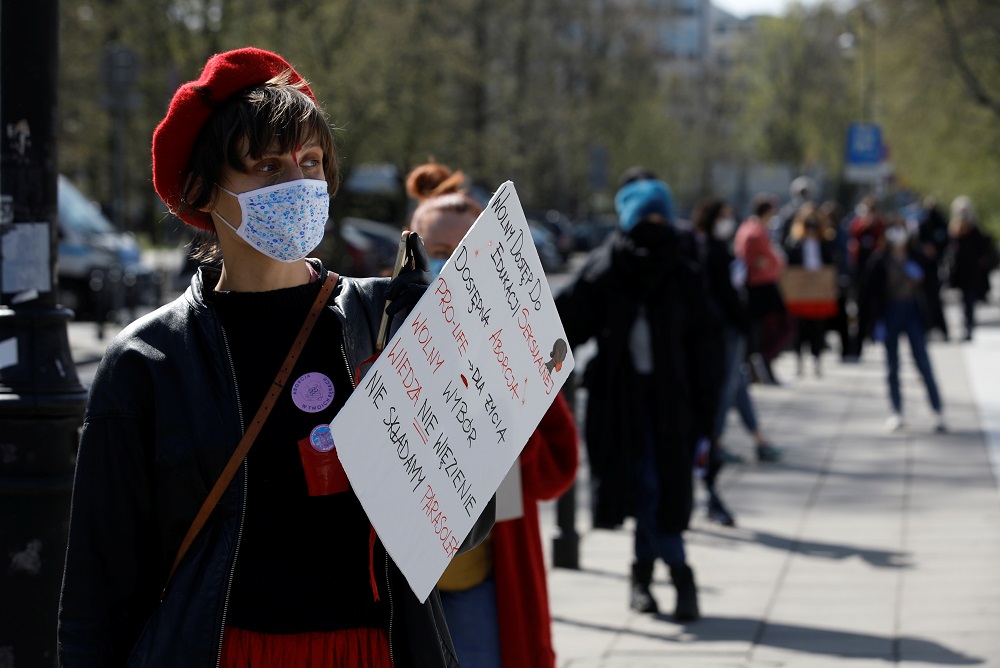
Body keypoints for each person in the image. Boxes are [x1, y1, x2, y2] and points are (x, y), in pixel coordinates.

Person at [57, 48, 493, 667]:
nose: (298, 185)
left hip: (372, 651)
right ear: (204, 192)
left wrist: (438, 370)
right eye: (265, 167)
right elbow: (98, 588)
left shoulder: (382, 320)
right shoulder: (148, 361)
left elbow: (461, 533)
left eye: (310, 162)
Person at [405, 162, 579, 668]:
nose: (452, 268)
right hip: (399, 590)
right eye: (437, 255)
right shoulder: (374, 336)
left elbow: (556, 474)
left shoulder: (520, 349)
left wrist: (507, 419)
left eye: (466, 254)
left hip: (486, 583)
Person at [556, 170, 721, 622]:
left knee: (659, 489)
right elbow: (563, 321)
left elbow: (707, 348)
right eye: (643, 217)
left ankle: (646, 577)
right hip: (622, 404)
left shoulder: (685, 274)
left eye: (658, 217)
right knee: (647, 488)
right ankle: (674, 576)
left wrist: (710, 415)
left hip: (673, 403)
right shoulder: (609, 268)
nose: (652, 226)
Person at [692, 197, 780, 527]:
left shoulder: (716, 248)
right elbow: (724, 294)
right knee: (725, 392)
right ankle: (716, 445)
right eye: (724, 215)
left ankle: (757, 438)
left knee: (738, 386)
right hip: (724, 332)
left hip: (731, 329)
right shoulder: (709, 250)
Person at [863, 222, 945, 433]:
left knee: (922, 361)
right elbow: (869, 292)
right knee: (892, 364)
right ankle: (896, 411)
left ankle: (937, 410)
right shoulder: (880, 260)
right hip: (890, 312)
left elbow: (932, 283)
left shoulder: (916, 256)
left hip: (913, 312)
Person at [734, 193, 792, 385]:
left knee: (758, 328)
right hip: (762, 285)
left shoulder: (746, 228)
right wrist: (772, 262)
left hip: (756, 284)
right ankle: (764, 359)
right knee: (781, 325)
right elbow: (772, 259)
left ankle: (758, 362)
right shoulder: (757, 231)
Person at [784, 202, 839, 378]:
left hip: (818, 292)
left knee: (818, 328)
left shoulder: (825, 243)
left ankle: (817, 360)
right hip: (801, 292)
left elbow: (831, 265)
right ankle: (799, 361)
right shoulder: (794, 243)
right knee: (800, 328)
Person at [946, 195, 995, 341]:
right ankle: (967, 324)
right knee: (964, 301)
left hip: (971, 272)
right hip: (961, 271)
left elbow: (983, 250)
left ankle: (969, 325)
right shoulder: (954, 228)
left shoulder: (974, 229)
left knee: (969, 300)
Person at [917, 196, 951, 340]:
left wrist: (937, 250)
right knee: (925, 300)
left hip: (937, 266)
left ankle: (941, 329)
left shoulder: (941, 223)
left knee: (935, 300)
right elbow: (919, 242)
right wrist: (925, 249)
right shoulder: (923, 223)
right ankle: (927, 328)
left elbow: (946, 241)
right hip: (925, 267)